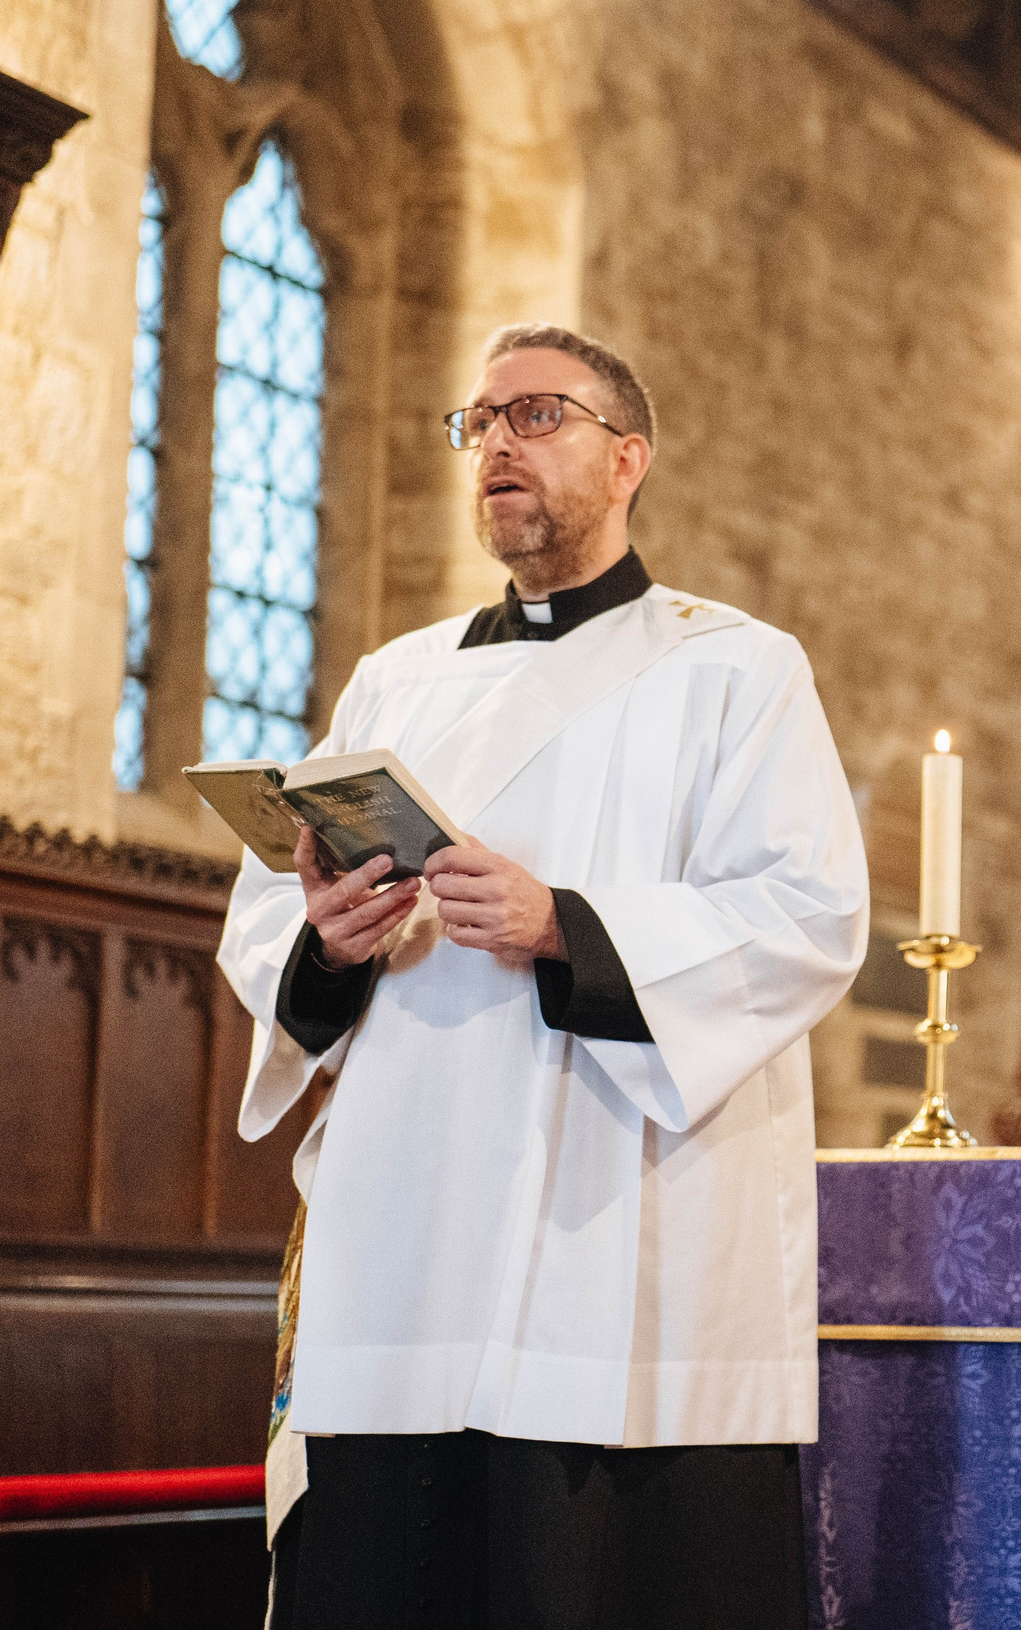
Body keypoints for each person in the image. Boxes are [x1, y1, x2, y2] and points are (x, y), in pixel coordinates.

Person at [217, 322, 868, 1630]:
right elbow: (261, 928)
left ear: (630, 457)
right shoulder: (394, 682)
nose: (498, 443)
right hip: (406, 1230)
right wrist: (330, 939)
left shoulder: (733, 666)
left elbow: (810, 916)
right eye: (479, 423)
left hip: (614, 1227)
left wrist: (564, 921)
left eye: (537, 415)